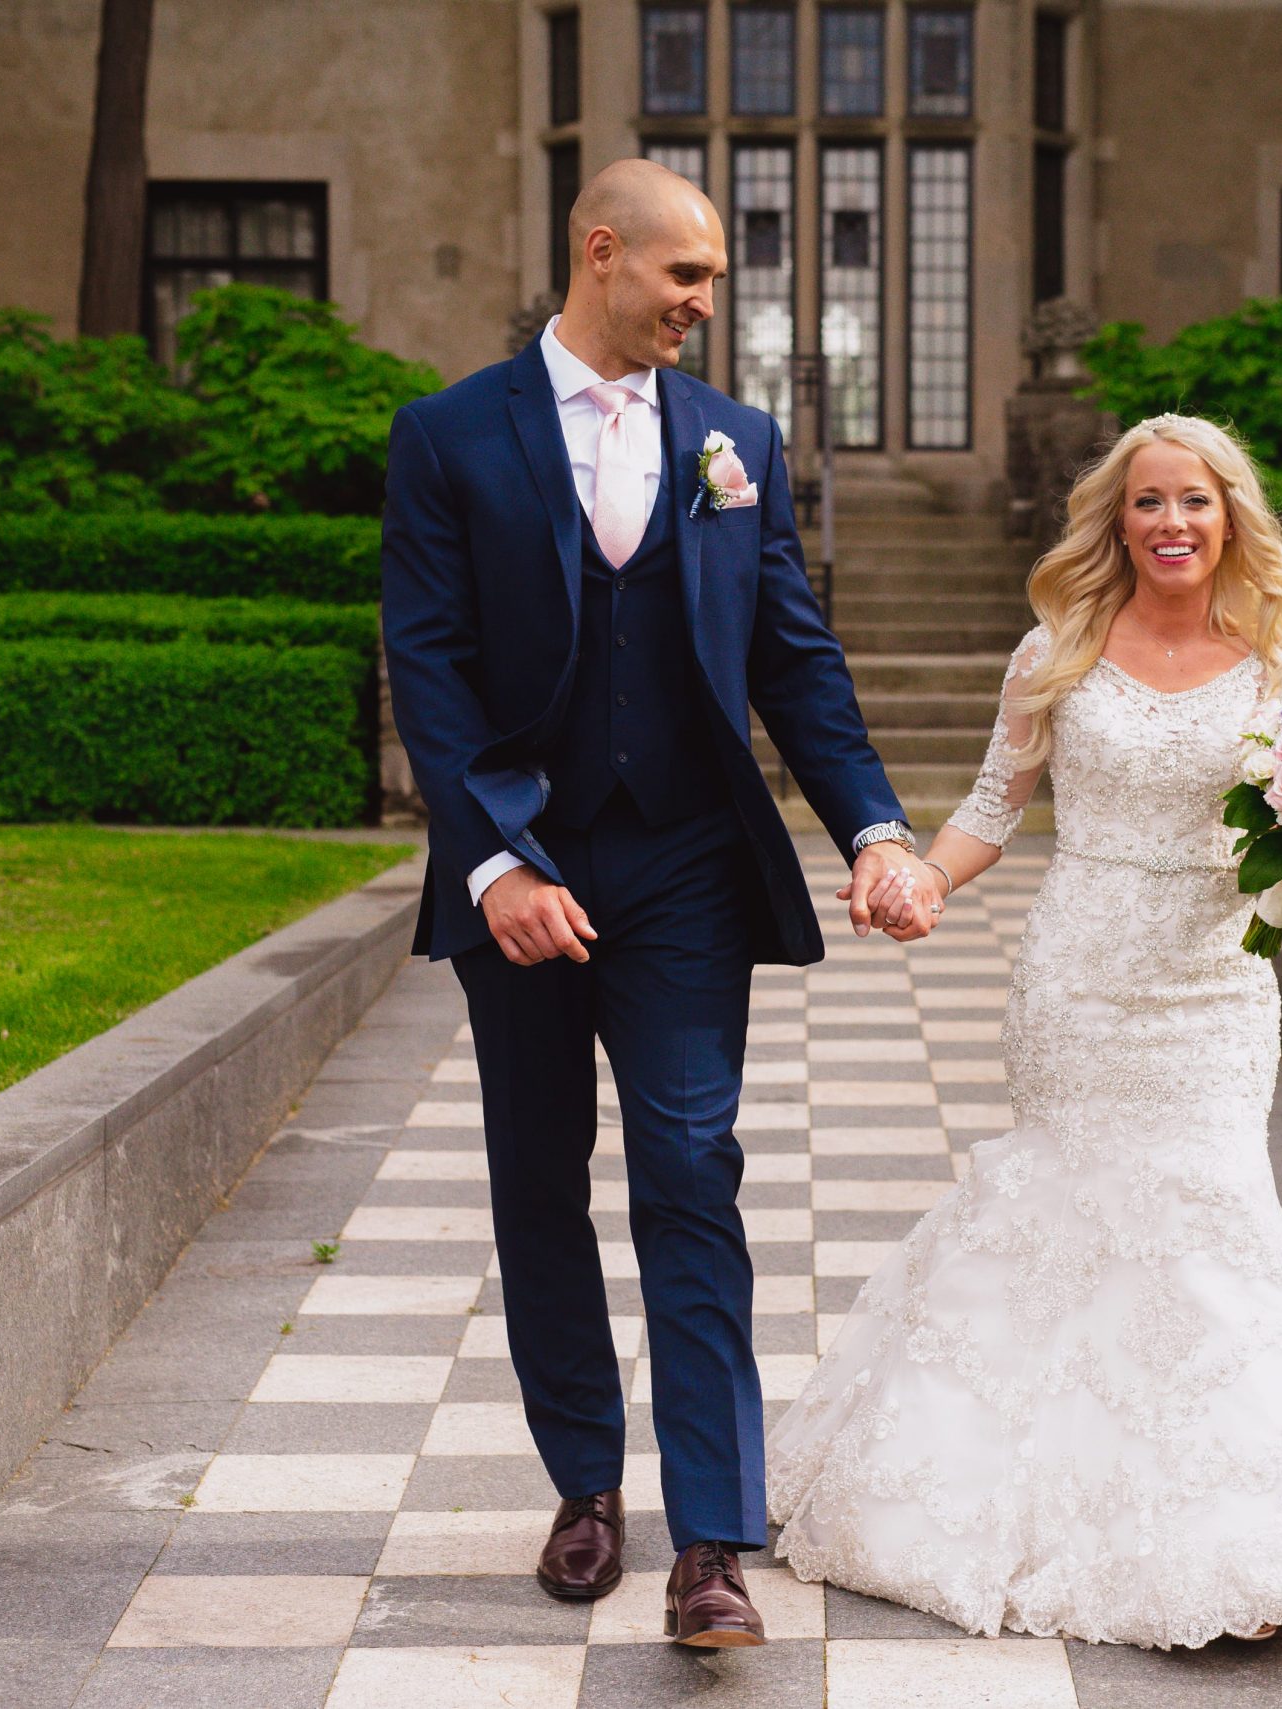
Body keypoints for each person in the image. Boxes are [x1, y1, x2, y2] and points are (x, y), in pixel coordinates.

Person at [379, 158, 943, 1648]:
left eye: (710, 281)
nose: (708, 302)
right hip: (526, 863)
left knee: (690, 1165)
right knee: (538, 1172)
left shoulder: (734, 441)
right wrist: (492, 863)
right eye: (687, 275)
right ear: (601, 251)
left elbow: (795, 661)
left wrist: (877, 826)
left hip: (686, 857)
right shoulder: (447, 439)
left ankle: (712, 1539)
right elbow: (426, 664)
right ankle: (583, 1485)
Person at [766, 414, 1282, 1648]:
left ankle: (1251, 1527)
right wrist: (919, 879)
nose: (1171, 522)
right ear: (1114, 522)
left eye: (1194, 501)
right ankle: (1020, 1501)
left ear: (1231, 516)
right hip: (1078, 977)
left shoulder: (1278, 662)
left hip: (1216, 988)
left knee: (1214, 1220)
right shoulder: (1055, 651)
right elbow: (990, 806)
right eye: (1146, 503)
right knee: (1074, 1212)